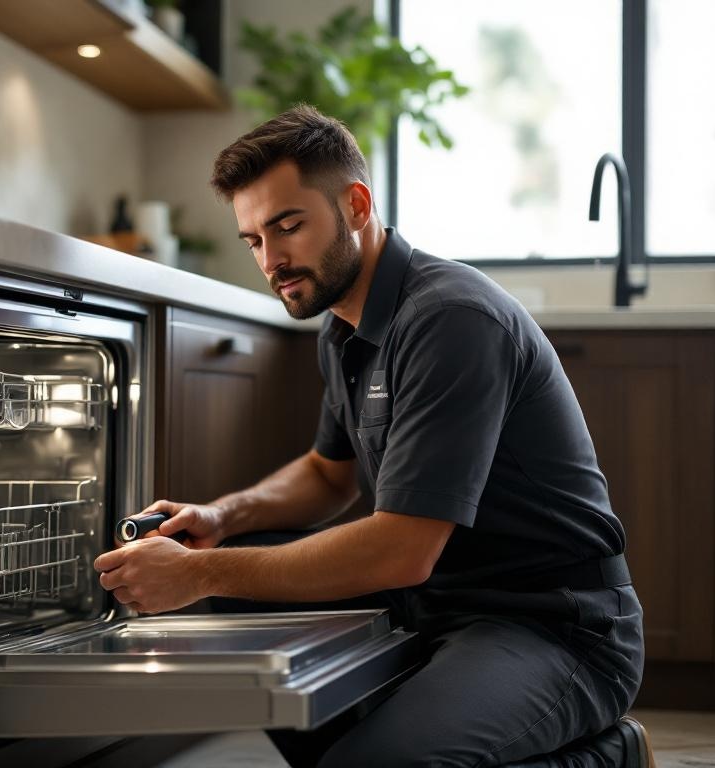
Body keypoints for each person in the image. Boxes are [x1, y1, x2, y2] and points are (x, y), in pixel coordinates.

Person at [94, 105, 646, 766]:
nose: (272, 260)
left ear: (356, 205)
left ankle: (609, 756)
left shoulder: (451, 320)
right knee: (213, 611)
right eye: (253, 240)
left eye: (287, 226)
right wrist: (219, 517)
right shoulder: (346, 327)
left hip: (554, 624)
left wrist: (201, 569)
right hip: (430, 602)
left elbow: (399, 551)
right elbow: (328, 475)